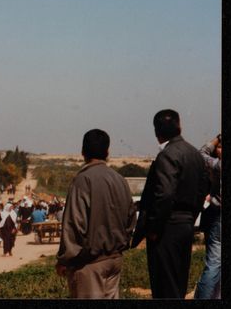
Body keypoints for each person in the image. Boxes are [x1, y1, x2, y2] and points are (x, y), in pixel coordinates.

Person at [131, 110, 209, 298]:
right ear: (179, 126)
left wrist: (154, 228)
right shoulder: (194, 154)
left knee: (164, 285)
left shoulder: (167, 155)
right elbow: (204, 187)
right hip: (185, 225)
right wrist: (191, 216)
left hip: (167, 227)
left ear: (157, 132)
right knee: (178, 282)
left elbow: (164, 194)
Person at [55, 129, 136, 299]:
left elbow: (74, 224)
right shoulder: (119, 179)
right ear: (107, 152)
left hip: (90, 265)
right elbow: (131, 219)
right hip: (114, 260)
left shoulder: (83, 180)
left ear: (83, 152)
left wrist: (65, 260)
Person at [194, 134, 221, 299]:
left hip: (218, 217)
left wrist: (217, 139)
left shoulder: (218, 166)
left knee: (213, 264)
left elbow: (201, 153)